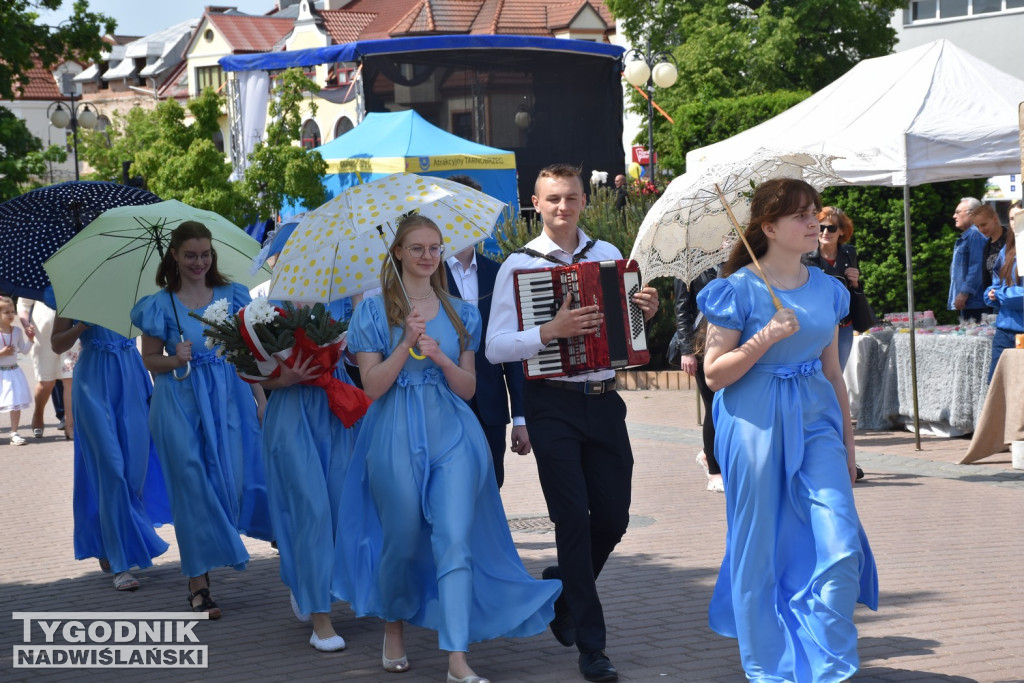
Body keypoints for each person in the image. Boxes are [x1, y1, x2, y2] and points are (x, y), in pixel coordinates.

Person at [340, 214, 560, 683]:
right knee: (399, 539)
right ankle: (394, 625)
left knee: (455, 540)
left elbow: (466, 388)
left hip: (453, 433)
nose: (427, 255)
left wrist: (439, 354)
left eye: (434, 247)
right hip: (393, 429)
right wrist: (405, 344)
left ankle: (457, 658)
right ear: (397, 251)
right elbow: (372, 387)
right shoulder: (372, 312)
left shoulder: (463, 311)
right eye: (416, 247)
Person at [696, 177, 878, 682]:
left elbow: (834, 373)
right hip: (752, 426)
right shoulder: (733, 291)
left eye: (814, 212)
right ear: (768, 226)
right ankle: (769, 671)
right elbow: (714, 373)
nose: (813, 221)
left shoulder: (829, 289)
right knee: (758, 551)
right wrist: (764, 337)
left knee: (841, 544)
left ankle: (831, 668)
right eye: (800, 215)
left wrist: (848, 442)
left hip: (816, 421)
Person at [486, 164, 660, 683]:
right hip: (551, 404)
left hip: (605, 400)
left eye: (572, 198)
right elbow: (495, 346)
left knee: (612, 517)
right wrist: (548, 331)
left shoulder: (608, 256)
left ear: (584, 200)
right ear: (535, 205)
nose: (564, 207)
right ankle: (592, 647)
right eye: (553, 199)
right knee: (571, 520)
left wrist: (643, 312)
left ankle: (564, 592)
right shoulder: (519, 266)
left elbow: (628, 331)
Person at [130, 221, 268, 618]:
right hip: (178, 401)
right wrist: (175, 357)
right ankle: (198, 584)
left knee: (231, 483)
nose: (199, 262)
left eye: (205, 254)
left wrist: (260, 399)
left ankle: (223, 549)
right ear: (174, 255)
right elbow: (149, 360)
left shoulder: (232, 295)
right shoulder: (159, 305)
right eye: (190, 254)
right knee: (191, 489)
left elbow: (248, 355)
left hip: (228, 399)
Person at [51, 316, 171, 591]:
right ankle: (120, 563)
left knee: (134, 475)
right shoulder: (77, 291)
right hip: (92, 382)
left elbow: (155, 342)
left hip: (132, 375)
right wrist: (81, 326)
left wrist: (160, 390)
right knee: (111, 473)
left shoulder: (138, 287)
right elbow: (57, 345)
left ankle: (107, 539)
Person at [260, 351, 362, 652]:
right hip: (291, 409)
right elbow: (250, 367)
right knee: (311, 511)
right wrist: (282, 379)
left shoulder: (350, 302)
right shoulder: (267, 313)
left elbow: (360, 357)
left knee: (341, 507)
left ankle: (303, 576)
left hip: (334, 404)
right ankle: (321, 619)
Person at [443, 174, 529, 488]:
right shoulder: (427, 275)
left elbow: (513, 347)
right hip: (443, 406)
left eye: (475, 211)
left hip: (491, 407)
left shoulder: (499, 273)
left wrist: (520, 416)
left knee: (491, 487)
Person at [670, 269, 723, 493]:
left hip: (728, 342)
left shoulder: (731, 262)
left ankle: (707, 452)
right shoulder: (689, 267)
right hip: (701, 344)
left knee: (725, 406)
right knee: (712, 406)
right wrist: (687, 350)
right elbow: (682, 310)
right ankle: (714, 471)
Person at [801, 206, 862, 369]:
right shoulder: (805, 255)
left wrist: (855, 282)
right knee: (815, 374)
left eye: (832, 228)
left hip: (843, 325)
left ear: (841, 231)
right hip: (816, 324)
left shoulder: (849, 253)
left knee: (836, 373)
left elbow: (853, 291)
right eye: (821, 227)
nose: (825, 232)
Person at [16, 297, 73, 439]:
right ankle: (38, 413)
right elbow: (24, 304)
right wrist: (25, 323)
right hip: (43, 333)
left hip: (71, 332)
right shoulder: (40, 274)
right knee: (46, 382)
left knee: (70, 380)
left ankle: (70, 425)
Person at [984, 208, 1022, 381]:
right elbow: (995, 284)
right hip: (1004, 331)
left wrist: (999, 294)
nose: (1014, 222)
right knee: (997, 386)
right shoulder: (1007, 249)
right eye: (1011, 218)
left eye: (1019, 217)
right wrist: (991, 293)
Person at [949, 196, 989, 322]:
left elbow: (977, 267)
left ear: (972, 213)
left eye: (957, 212)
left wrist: (964, 293)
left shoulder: (974, 234)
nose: (954, 216)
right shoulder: (969, 235)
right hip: (969, 302)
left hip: (975, 302)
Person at [1, 296, 33, 446]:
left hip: (13, 372)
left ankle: (14, 432)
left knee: (15, 403)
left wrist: (31, 339)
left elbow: (24, 351)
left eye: (12, 311)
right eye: (6, 312)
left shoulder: (17, 332)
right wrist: (2, 353)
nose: (10, 315)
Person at [971, 203, 1008, 283]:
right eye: (977, 226)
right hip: (994, 293)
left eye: (983, 225)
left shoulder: (1011, 239)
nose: (981, 230)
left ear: (995, 219)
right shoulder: (987, 246)